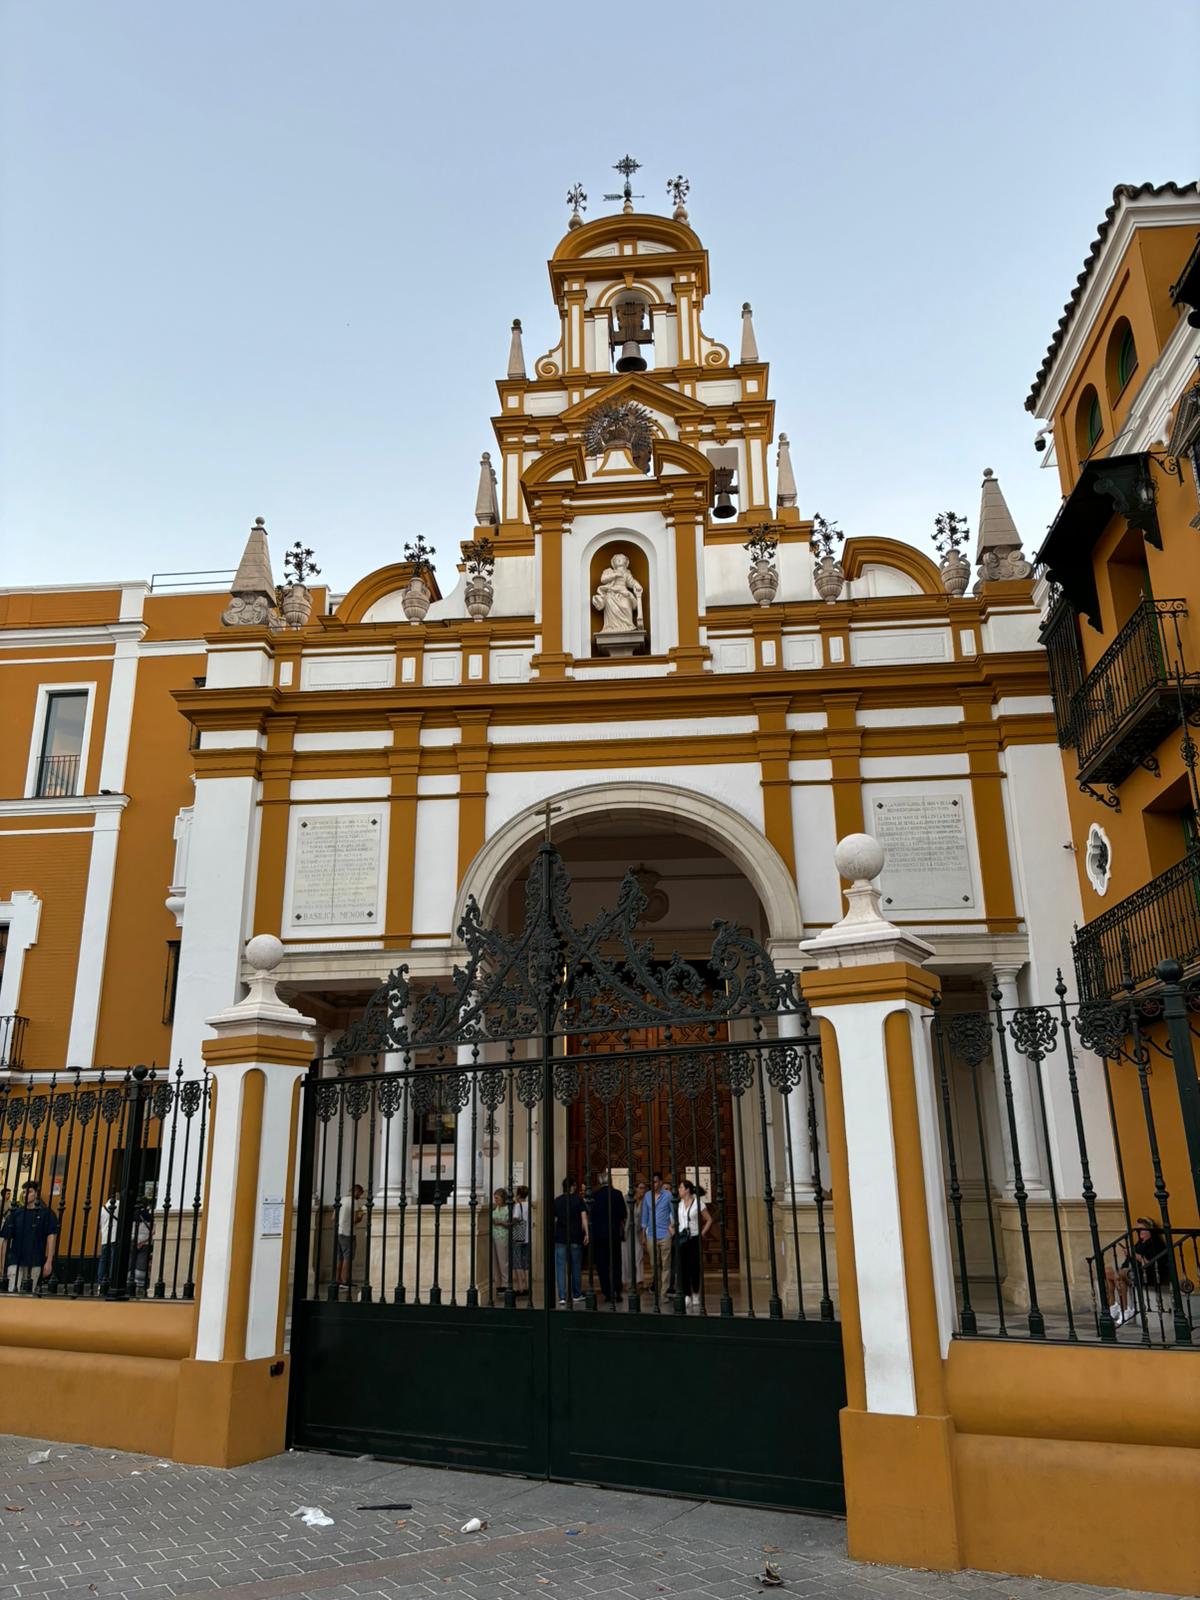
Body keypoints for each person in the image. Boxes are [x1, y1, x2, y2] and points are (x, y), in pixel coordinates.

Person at [1106, 1218, 1171, 1325]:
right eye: (1137, 1230)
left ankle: (1125, 1310)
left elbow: (1149, 1263)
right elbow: (1128, 1262)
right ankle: (1113, 1306)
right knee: (1107, 1271)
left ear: (1149, 1230)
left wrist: (1134, 1255)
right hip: (1132, 1272)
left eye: (1141, 1229)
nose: (1139, 1232)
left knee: (1120, 1276)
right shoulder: (1139, 1243)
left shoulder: (1155, 1243)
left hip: (1147, 1274)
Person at [0, 1182, 59, 1293]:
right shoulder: (15, 1214)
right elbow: (5, 1240)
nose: (26, 1194)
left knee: (29, 1294)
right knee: (12, 1291)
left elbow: (51, 1237)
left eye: (30, 1192)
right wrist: (2, 1263)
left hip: (35, 1258)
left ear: (36, 1193)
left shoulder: (46, 1213)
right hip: (15, 1258)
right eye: (24, 1192)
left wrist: (49, 1261)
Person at [588, 1170, 627, 1305]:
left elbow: (590, 1216)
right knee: (616, 1263)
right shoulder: (617, 1194)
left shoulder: (594, 1195)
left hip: (599, 1235)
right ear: (609, 1180)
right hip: (614, 1234)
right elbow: (623, 1214)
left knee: (602, 1265)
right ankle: (617, 1290)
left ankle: (607, 1292)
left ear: (599, 1181)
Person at [676, 1179, 712, 1310]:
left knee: (694, 1267)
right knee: (683, 1268)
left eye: (681, 1188)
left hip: (694, 1238)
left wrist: (702, 1232)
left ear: (687, 1190)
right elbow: (676, 1221)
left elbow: (709, 1219)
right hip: (682, 1238)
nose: (679, 1190)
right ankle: (687, 1294)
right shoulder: (679, 1204)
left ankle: (696, 1292)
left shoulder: (698, 1203)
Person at [553, 1176, 588, 1306]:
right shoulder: (579, 1200)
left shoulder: (557, 1201)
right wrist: (587, 1234)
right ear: (573, 1186)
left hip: (561, 1237)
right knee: (576, 1266)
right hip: (575, 1237)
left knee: (561, 1267)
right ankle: (576, 1294)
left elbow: (554, 1219)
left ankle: (562, 1296)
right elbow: (584, 1218)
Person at [640, 1171, 674, 1295]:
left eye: (655, 1182)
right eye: (652, 1182)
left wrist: (672, 1227)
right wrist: (643, 1235)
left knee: (666, 1264)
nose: (653, 1184)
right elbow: (644, 1217)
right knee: (655, 1264)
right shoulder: (647, 1196)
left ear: (660, 1182)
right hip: (651, 1235)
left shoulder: (668, 1195)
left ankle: (664, 1292)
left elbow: (673, 1213)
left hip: (665, 1233)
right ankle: (658, 1287)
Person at [335, 1183, 365, 1291]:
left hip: (339, 1232)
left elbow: (334, 1217)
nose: (360, 1196)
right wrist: (361, 1216)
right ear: (356, 1191)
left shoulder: (342, 1200)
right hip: (348, 1233)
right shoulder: (354, 1202)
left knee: (340, 1257)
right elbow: (354, 1220)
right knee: (347, 1258)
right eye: (360, 1193)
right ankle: (344, 1281)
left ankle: (337, 1280)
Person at [97, 1192, 121, 1291]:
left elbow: (100, 1224)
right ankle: (111, 1282)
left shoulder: (103, 1208)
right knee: (113, 1260)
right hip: (115, 1236)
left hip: (105, 1237)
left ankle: (100, 1282)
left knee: (103, 1260)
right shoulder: (119, 1204)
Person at [510, 1184, 531, 1297]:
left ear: (518, 1194)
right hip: (527, 1237)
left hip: (518, 1237)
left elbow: (516, 1219)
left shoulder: (518, 1206)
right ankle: (528, 1286)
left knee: (517, 1262)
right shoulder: (529, 1205)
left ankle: (520, 1287)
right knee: (526, 1263)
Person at [490, 1188, 511, 1295]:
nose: (496, 1200)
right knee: (495, 1261)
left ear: (503, 1198)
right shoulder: (496, 1208)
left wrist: (500, 1222)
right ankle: (498, 1283)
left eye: (497, 1198)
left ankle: (505, 1283)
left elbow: (510, 1224)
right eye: (495, 1198)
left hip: (503, 1236)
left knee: (503, 1261)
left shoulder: (508, 1209)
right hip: (493, 1235)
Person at [626, 1180, 647, 1291]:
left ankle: (640, 1280)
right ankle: (630, 1280)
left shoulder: (645, 1201)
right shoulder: (629, 1199)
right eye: (640, 1187)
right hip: (629, 1232)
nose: (642, 1190)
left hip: (639, 1232)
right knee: (629, 1256)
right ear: (635, 1188)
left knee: (639, 1256)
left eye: (644, 1188)